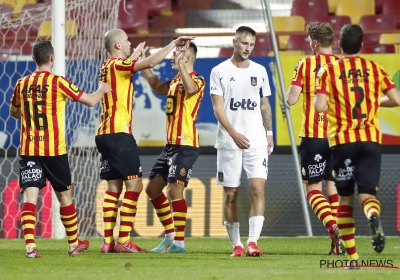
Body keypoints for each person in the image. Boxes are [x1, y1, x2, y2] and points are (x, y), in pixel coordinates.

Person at [9, 40, 112, 258]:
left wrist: (28, 112)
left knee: (30, 197)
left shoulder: (22, 83)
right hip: (55, 151)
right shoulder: (58, 82)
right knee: (65, 197)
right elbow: (90, 101)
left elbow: (14, 112)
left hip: (29, 150)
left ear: (33, 59)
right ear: (52, 58)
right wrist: (102, 90)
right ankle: (73, 244)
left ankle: (30, 247)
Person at [97, 29, 195, 253]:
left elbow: (133, 68)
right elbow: (151, 61)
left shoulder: (107, 66)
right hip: (119, 134)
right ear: (118, 46)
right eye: (127, 41)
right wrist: (173, 43)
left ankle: (108, 242)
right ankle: (124, 241)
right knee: (136, 185)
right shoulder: (117, 65)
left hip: (103, 134)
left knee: (114, 187)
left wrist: (134, 57)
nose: (131, 43)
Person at [314, 24, 400, 264]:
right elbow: (396, 99)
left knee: (345, 199)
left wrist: (333, 101)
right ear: (362, 45)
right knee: (366, 194)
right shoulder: (374, 68)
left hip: (343, 142)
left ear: (340, 44)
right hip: (370, 140)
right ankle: (372, 215)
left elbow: (319, 107)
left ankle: (353, 258)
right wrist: (372, 102)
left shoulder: (328, 71)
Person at [210, 26, 274, 257]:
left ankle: (253, 242)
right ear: (235, 42)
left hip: (256, 140)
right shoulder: (219, 71)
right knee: (230, 195)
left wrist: (269, 133)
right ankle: (236, 244)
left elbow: (264, 104)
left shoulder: (260, 70)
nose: (247, 48)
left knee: (257, 189)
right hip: (229, 142)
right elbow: (218, 108)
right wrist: (234, 134)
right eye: (244, 43)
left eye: (251, 45)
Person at [285, 22, 344, 255]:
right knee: (333, 185)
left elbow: (291, 100)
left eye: (310, 41)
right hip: (338, 137)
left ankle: (333, 227)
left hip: (314, 135)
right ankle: (337, 242)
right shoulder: (341, 66)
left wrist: (289, 91)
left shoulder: (305, 64)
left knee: (313, 189)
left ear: (315, 43)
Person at [139, 42, 204, 253]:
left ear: (186, 58)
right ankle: (169, 238)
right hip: (169, 146)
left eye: (177, 54)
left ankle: (179, 243)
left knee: (174, 189)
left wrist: (182, 66)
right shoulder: (176, 80)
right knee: (152, 189)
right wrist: (142, 63)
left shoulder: (197, 79)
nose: (171, 56)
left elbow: (192, 89)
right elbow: (157, 86)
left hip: (186, 144)